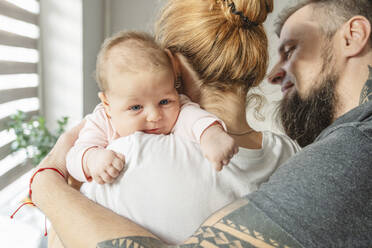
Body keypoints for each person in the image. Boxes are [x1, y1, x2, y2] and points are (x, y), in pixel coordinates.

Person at [36, 0, 372, 247]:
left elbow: (59, 237)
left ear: (172, 65)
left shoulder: (130, 155)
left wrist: (46, 184)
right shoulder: (293, 155)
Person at [66, 30, 238, 185]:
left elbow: (195, 120)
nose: (154, 116)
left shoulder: (180, 109)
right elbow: (74, 157)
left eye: (164, 102)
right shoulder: (101, 122)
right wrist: (92, 159)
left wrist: (212, 135)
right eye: (136, 107)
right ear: (107, 105)